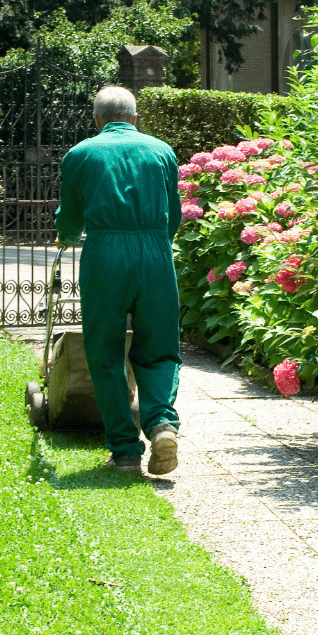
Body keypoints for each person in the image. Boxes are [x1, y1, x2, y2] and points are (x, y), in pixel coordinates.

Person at [55, 85, 182, 475]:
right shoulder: (162, 151)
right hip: (155, 253)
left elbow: (69, 218)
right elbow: (174, 215)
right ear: (134, 117)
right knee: (159, 348)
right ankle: (161, 424)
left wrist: (66, 235)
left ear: (97, 119)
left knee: (105, 350)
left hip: (105, 255)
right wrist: (155, 244)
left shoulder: (81, 154)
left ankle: (125, 452)